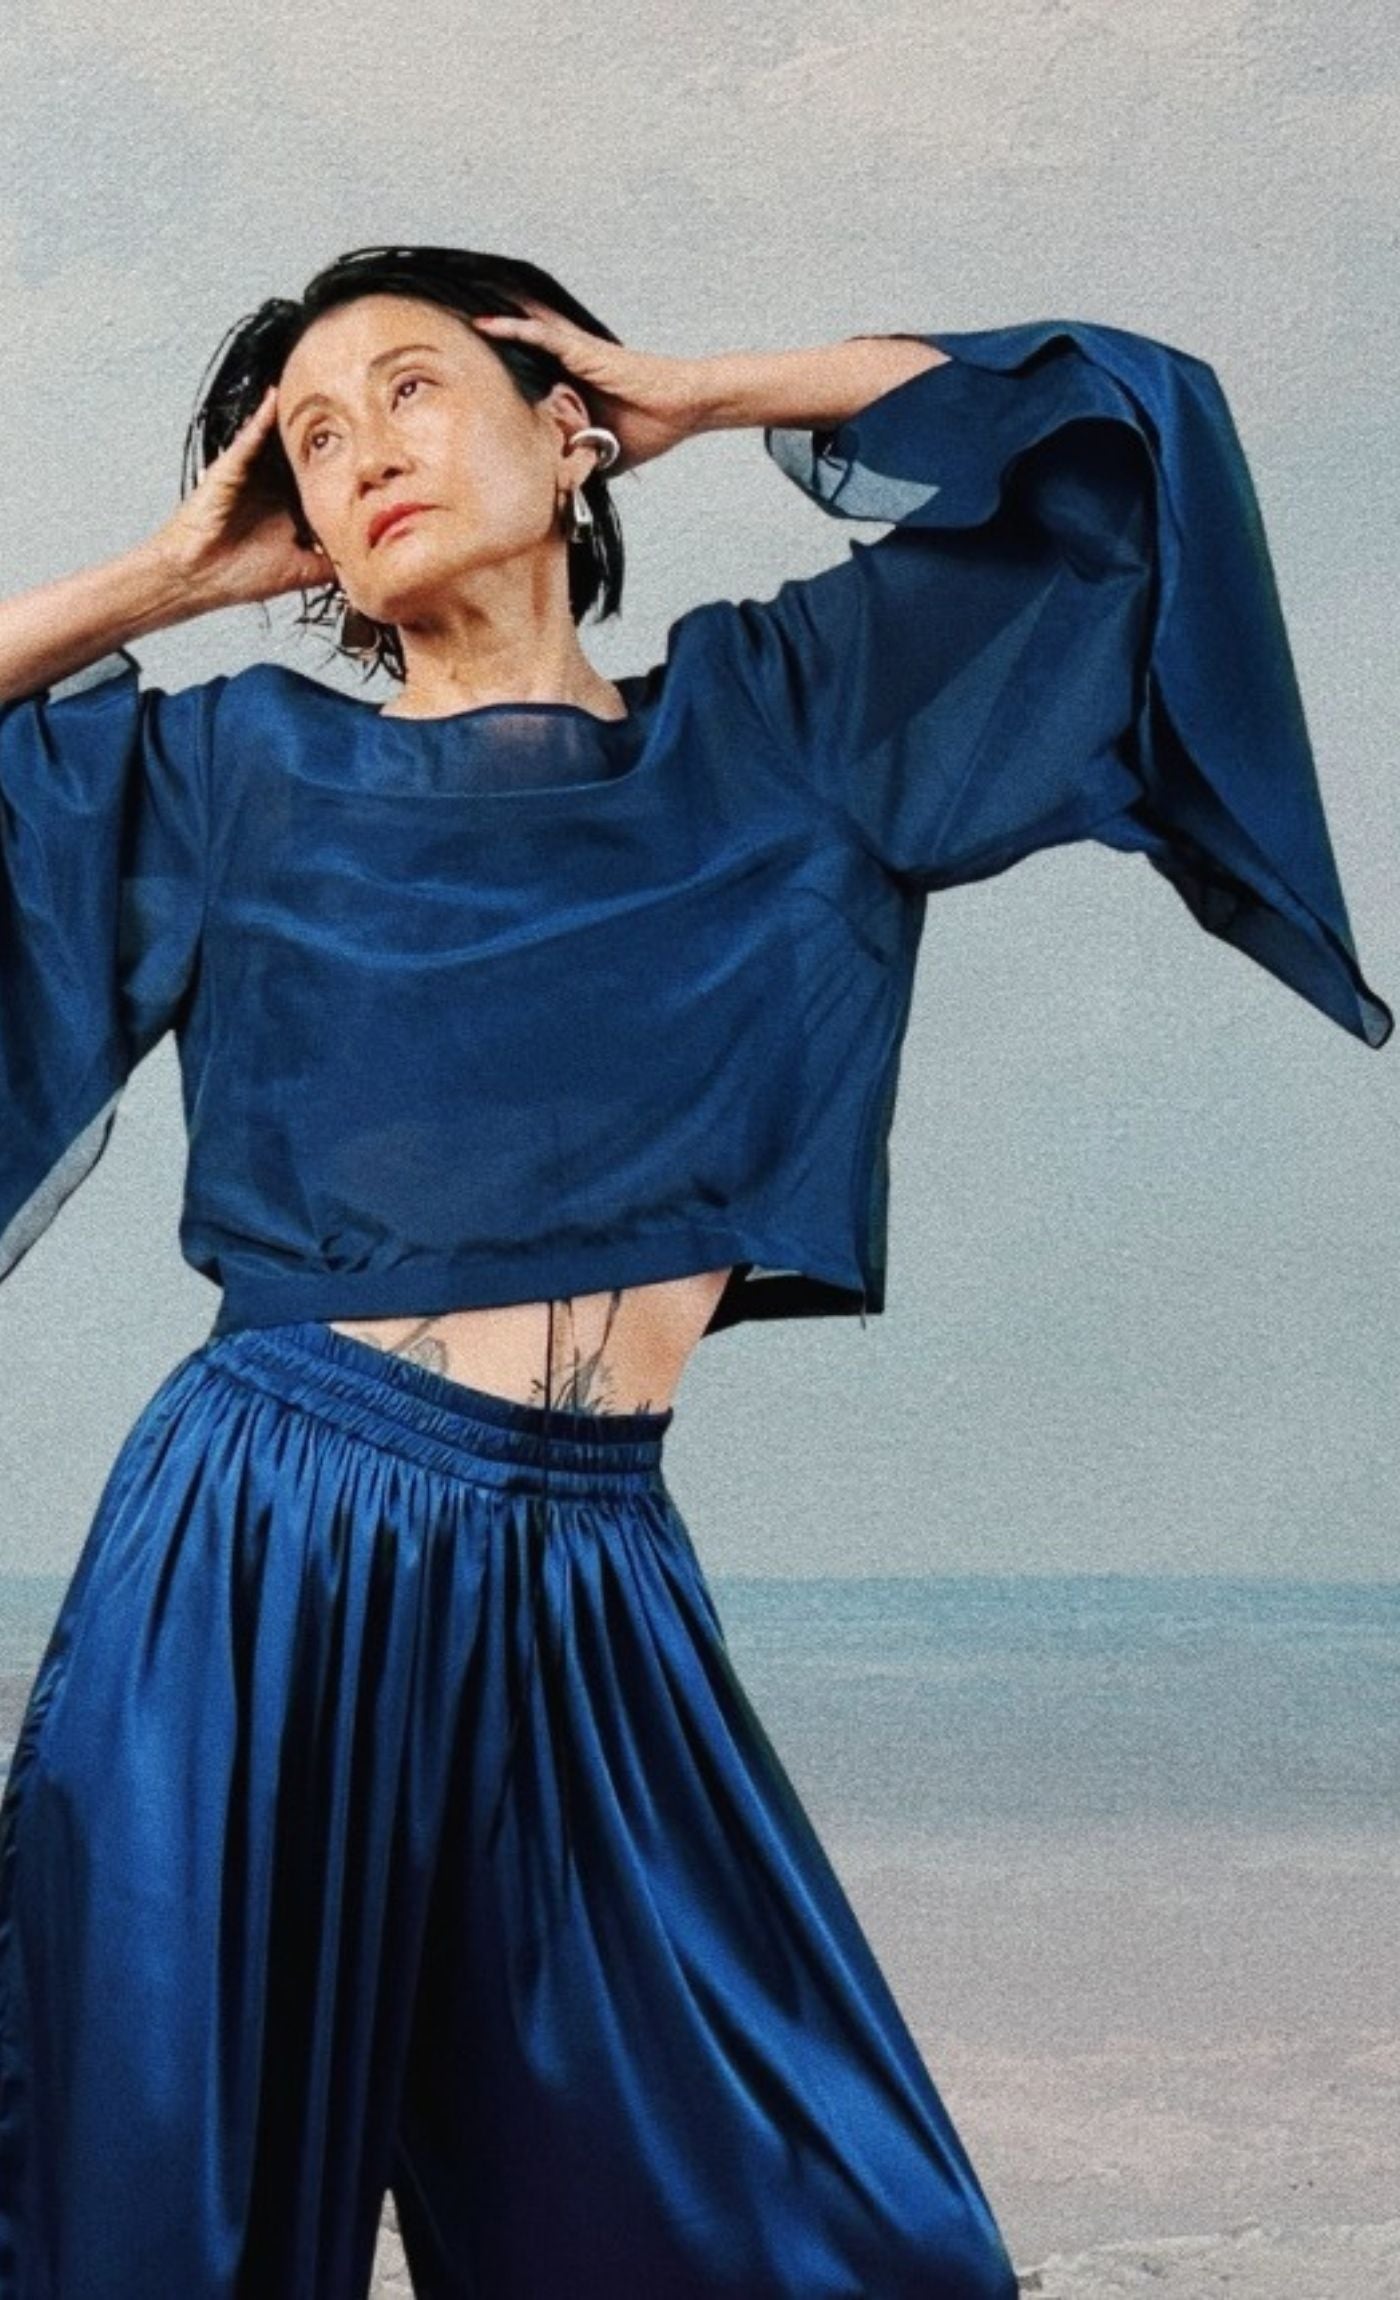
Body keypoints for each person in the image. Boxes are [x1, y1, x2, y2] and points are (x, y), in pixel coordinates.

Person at [0, 243, 1389, 2300]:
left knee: (817, 2237)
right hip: (266, 1541)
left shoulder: (786, 727)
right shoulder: (239, 774)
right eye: (310, 437)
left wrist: (718, 389)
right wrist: (169, 578)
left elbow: (1128, 444)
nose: (360, 449)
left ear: (565, 426)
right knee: (157, 2230)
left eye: (411, 387)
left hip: (593, 1575)